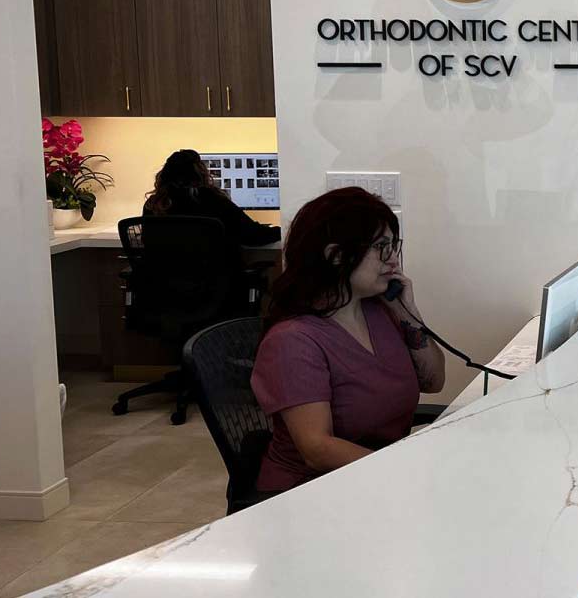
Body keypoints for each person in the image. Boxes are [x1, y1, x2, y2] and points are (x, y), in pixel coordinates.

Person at [250, 187, 446, 492]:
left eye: (394, 246)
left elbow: (434, 381)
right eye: (381, 247)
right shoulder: (293, 341)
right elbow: (317, 449)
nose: (393, 260)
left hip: (373, 476)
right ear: (336, 256)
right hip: (311, 493)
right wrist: (405, 473)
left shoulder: (380, 309)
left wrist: (408, 311)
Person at [143, 149, 280, 246]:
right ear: (201, 173)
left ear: (165, 174)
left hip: (163, 283)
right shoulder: (214, 201)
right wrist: (282, 230)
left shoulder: (154, 205)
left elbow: (146, 241)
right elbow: (254, 236)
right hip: (213, 283)